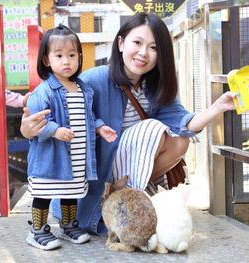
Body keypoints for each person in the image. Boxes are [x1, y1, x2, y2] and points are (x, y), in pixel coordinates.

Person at [20, 13, 236, 236]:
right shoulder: (94, 79)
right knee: (154, 129)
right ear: (121, 43)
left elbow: (185, 123)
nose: (144, 53)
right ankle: (103, 202)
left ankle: (126, 199)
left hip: (128, 170)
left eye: (154, 47)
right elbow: (55, 112)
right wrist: (27, 129)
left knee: (180, 141)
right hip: (96, 172)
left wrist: (217, 107)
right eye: (137, 43)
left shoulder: (155, 88)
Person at [24, 24, 117, 250]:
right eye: (59, 55)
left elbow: (88, 117)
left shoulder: (83, 89)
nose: (66, 61)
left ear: (79, 57)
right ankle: (37, 230)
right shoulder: (44, 91)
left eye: (72, 55)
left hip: (77, 156)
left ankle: (68, 224)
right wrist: (55, 131)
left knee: (71, 191)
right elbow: (37, 124)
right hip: (51, 158)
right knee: (44, 193)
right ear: (46, 60)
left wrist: (99, 127)